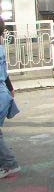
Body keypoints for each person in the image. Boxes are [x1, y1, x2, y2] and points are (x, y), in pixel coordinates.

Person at [0, 17, 20, 179]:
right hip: (3, 92)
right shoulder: (0, 48)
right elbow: (5, 74)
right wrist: (11, 88)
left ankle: (9, 162)